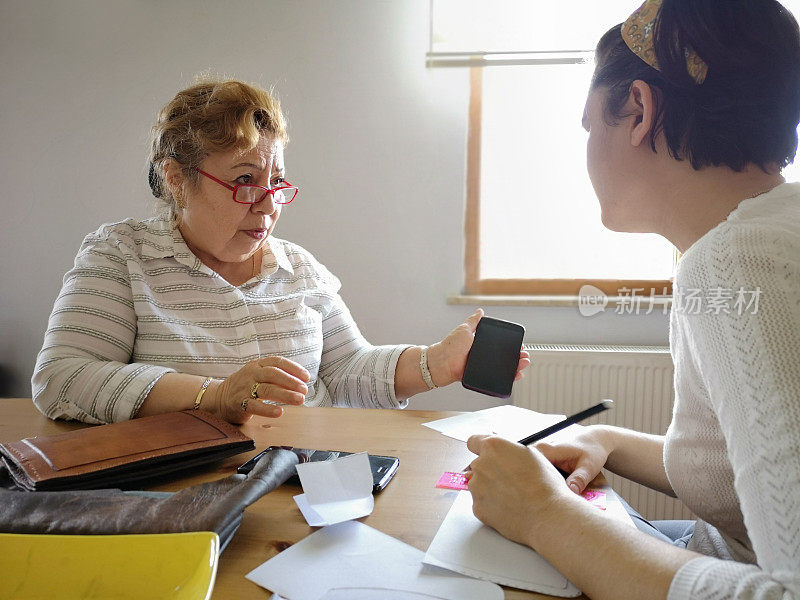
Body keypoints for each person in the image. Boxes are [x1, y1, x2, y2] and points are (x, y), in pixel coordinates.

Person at [465, 0, 800, 598]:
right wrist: (607, 441)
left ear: (640, 109)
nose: (589, 148)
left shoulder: (735, 264)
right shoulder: (771, 235)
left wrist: (544, 514)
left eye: (591, 125)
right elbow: (739, 471)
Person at [32, 78, 530, 425]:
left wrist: (434, 364)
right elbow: (61, 379)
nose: (268, 205)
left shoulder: (299, 269)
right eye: (244, 181)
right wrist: (213, 396)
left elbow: (345, 372)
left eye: (276, 181)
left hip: (301, 482)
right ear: (176, 178)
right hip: (178, 495)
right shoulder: (121, 255)